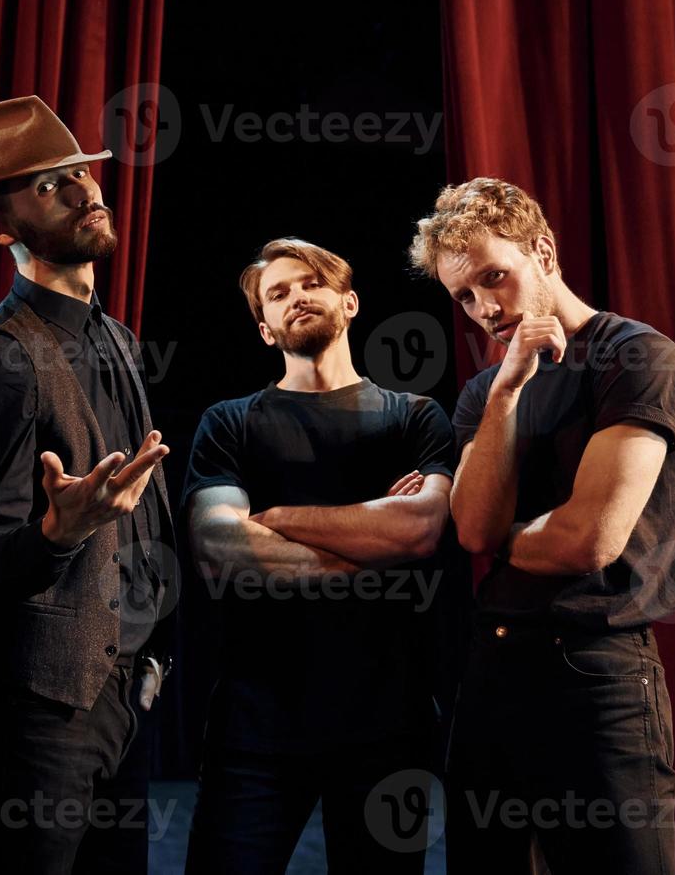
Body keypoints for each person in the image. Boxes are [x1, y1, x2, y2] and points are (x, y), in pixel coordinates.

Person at [411, 177, 675, 873]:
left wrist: (508, 534)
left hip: (595, 668)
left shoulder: (635, 357)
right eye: (464, 297)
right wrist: (507, 389)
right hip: (492, 669)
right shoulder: (486, 390)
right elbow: (474, 531)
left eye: (493, 278)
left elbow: (587, 540)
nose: (483, 307)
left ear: (542, 249)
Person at [0, 95, 175, 875]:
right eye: (48, 186)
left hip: (127, 697)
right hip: (33, 712)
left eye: (80, 174)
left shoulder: (119, 339)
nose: (84, 193)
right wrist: (56, 535)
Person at [182, 238, 455, 874]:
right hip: (256, 729)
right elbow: (219, 546)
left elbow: (420, 529)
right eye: (277, 293)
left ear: (349, 301)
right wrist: (369, 543)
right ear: (264, 329)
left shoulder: (416, 417)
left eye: (311, 283)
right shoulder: (230, 422)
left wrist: (273, 521)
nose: (297, 296)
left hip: (389, 729)